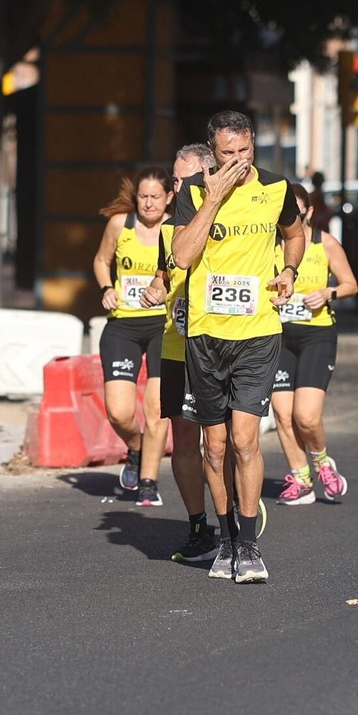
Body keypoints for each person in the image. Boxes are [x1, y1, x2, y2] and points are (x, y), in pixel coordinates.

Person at [171, 111, 305, 583]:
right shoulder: (191, 193)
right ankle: (225, 541)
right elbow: (183, 256)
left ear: (254, 148)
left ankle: (249, 546)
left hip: (258, 333)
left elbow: (294, 233)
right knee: (215, 445)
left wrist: (288, 271)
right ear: (213, 152)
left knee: (245, 440)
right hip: (206, 336)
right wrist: (213, 199)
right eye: (227, 154)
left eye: (244, 152)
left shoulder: (275, 188)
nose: (237, 162)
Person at [139, 144, 222, 559]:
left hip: (224, 344)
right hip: (178, 344)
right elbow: (163, 275)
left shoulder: (238, 219)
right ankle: (198, 527)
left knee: (222, 440)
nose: (174, 188)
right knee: (184, 436)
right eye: (173, 180)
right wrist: (155, 290)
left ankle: (233, 520)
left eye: (182, 180)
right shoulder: (170, 228)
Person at [271, 182, 358, 505]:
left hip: (316, 334)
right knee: (282, 414)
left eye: (295, 210)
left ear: (308, 211)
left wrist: (328, 293)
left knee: (306, 416)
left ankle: (321, 462)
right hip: (279, 335)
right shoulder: (271, 247)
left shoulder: (325, 244)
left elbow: (351, 284)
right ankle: (301, 478)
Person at [92, 168, 172, 500]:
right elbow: (100, 260)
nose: (149, 203)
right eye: (143, 196)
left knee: (156, 408)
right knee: (120, 412)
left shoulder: (177, 228)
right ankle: (136, 447)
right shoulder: (120, 224)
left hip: (163, 326)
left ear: (169, 197)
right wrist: (107, 287)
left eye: (156, 197)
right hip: (123, 325)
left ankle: (149, 483)